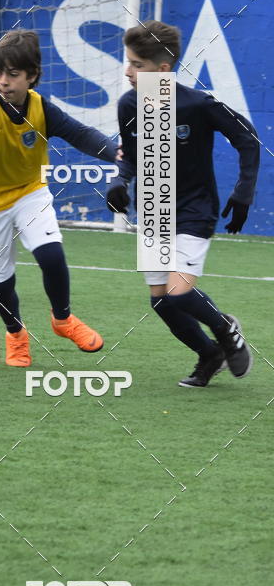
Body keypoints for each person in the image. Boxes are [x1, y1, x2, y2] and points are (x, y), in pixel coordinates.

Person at [0, 29, 117, 367]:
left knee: (52, 255)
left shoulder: (42, 108)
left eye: (12, 74)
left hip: (29, 192)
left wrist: (120, 154)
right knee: (0, 280)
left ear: (32, 76)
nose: (3, 81)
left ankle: (63, 319)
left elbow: (81, 134)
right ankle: (16, 334)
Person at [106, 20, 260, 388]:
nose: (128, 72)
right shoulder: (129, 103)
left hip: (196, 207)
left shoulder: (196, 104)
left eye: (137, 65)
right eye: (127, 62)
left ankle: (227, 330)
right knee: (161, 301)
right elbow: (131, 155)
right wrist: (119, 180)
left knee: (180, 291)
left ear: (162, 70)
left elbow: (248, 139)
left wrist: (244, 191)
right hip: (155, 208)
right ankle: (209, 354)